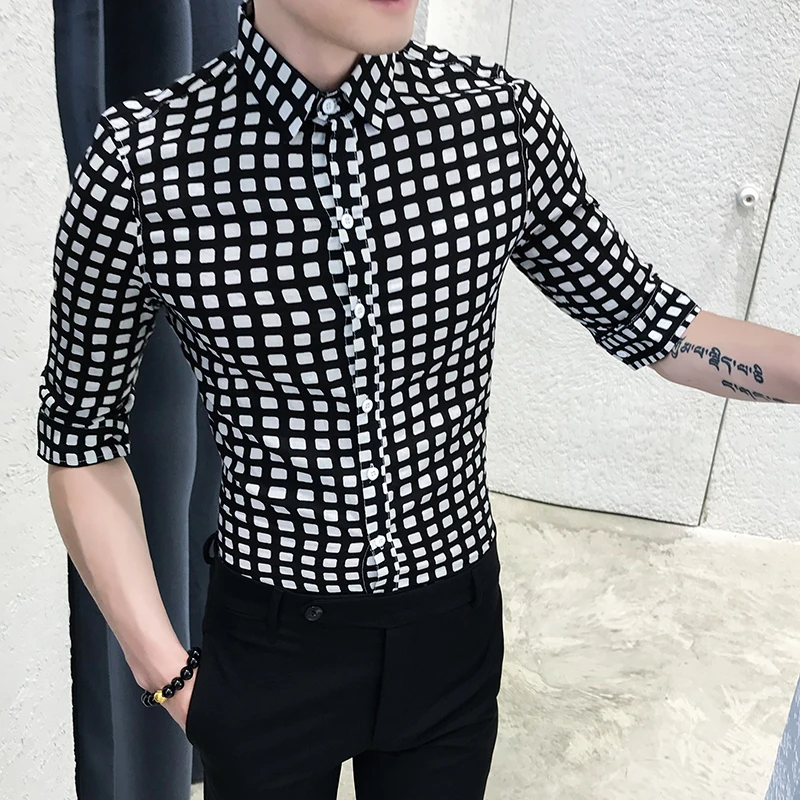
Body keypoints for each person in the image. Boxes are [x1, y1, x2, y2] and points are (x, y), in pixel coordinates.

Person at [36, 0, 800, 798]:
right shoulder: (145, 160)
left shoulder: (495, 124)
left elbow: (654, 322)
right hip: (269, 652)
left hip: (451, 639)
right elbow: (80, 435)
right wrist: (165, 674)